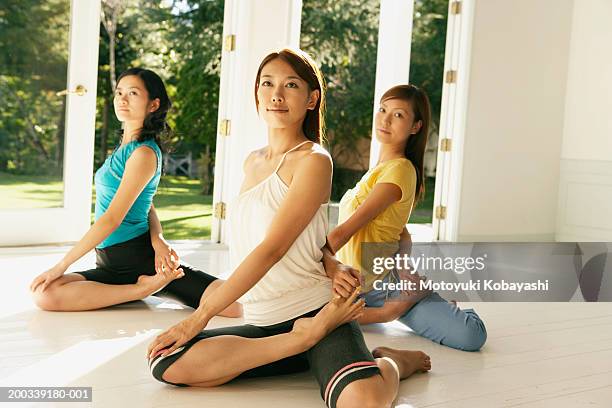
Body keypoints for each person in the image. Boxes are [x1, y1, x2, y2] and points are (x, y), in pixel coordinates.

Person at [147, 49, 431, 408]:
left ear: (312, 99)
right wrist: (330, 261)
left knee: (365, 404)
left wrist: (199, 318)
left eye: (291, 85)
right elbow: (300, 239)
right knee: (165, 363)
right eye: (267, 83)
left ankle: (391, 360)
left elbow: (273, 248)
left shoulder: (314, 160)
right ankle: (300, 344)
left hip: (318, 311)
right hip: (266, 320)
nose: (276, 94)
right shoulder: (252, 160)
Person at [30, 67, 240, 317]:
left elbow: (111, 219)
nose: (122, 99)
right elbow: (145, 202)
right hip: (110, 263)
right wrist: (158, 237)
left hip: (137, 259)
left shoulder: (143, 153)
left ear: (153, 104)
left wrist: (61, 265)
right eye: (119, 92)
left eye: (132, 93)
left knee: (233, 306)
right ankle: (138, 290)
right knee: (46, 293)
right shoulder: (125, 147)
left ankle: (147, 286)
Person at [324, 84, 487, 352]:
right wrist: (403, 264)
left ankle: (442, 302)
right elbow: (401, 231)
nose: (385, 119)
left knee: (471, 335)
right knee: (311, 316)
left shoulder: (400, 170)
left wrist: (393, 309)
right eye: (383, 109)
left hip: (384, 288)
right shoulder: (377, 170)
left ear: (415, 126)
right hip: (360, 284)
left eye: (398, 115)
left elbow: (344, 232)